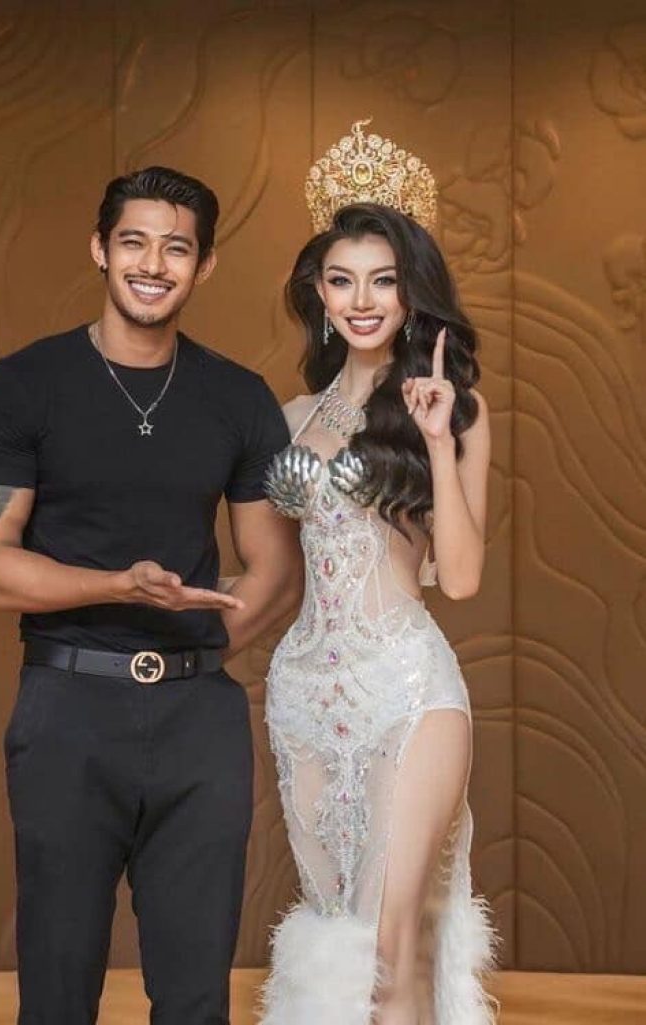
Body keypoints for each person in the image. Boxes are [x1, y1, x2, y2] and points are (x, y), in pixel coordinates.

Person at [0, 165, 302, 1025]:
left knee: (195, 997)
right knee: (57, 989)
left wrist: (193, 644)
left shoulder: (239, 397)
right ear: (100, 249)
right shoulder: (20, 385)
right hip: (66, 709)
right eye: (134, 242)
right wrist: (119, 586)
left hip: (199, 720)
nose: (153, 264)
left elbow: (275, 568)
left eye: (176, 248)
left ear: (204, 265)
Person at [260, 122, 496, 1025]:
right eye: (342, 279)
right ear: (319, 293)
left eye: (384, 279)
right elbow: (276, 565)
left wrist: (436, 439)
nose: (363, 299)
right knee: (336, 944)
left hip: (407, 688)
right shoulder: (289, 417)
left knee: (391, 952)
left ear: (411, 292)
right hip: (303, 694)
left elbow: (461, 577)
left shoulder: (454, 408)